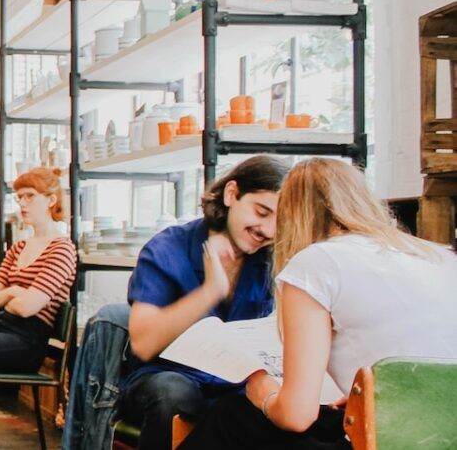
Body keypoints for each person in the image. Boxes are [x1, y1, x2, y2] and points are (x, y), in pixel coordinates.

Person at [181, 159, 457, 449]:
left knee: (232, 416)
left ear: (292, 215)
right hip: (441, 435)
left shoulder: (316, 264)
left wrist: (260, 388)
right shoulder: (437, 256)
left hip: (388, 441)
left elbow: (296, 416)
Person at [119, 155, 289, 450]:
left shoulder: (268, 259)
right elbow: (143, 343)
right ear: (232, 193)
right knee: (174, 392)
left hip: (235, 384)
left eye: (280, 222)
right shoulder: (167, 248)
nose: (269, 231)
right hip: (163, 379)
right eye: (262, 212)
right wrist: (210, 291)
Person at [0, 167, 76, 446]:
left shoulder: (62, 249)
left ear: (51, 200)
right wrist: (13, 291)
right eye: (19, 197)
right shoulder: (19, 247)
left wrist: (13, 298)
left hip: (28, 340)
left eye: (29, 196)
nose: (21, 203)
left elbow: (28, 308)